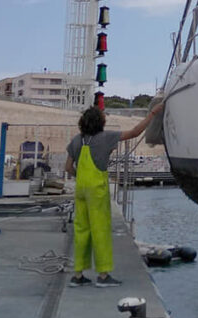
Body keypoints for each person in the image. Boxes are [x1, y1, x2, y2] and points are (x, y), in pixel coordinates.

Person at [65, 103, 163, 287]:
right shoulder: (105, 137)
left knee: (81, 230)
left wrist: (82, 177)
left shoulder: (76, 140)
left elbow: (68, 167)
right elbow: (134, 132)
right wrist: (152, 114)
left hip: (81, 189)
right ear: (100, 122)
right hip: (97, 190)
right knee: (100, 229)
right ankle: (103, 275)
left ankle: (77, 276)